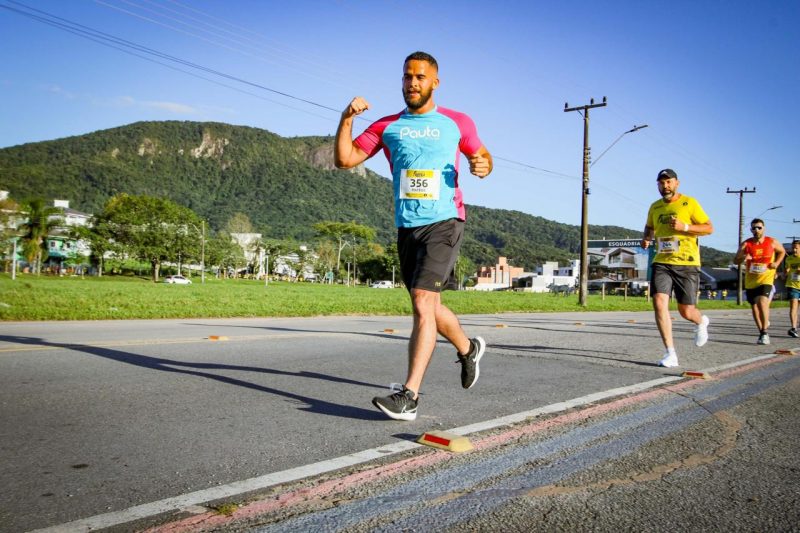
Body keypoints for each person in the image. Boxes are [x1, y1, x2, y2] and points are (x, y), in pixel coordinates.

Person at [334, 51, 493, 421]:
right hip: (407, 226)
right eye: (407, 77)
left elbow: (482, 156)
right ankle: (468, 349)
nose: (412, 83)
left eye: (420, 77)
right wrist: (346, 120)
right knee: (431, 307)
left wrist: (483, 164)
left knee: (422, 302)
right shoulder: (388, 126)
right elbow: (345, 159)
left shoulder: (457, 122)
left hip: (446, 221)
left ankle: (409, 397)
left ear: (434, 82)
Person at [641, 168, 714, 367]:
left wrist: (686, 228)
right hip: (662, 261)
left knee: (686, 311)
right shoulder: (655, 207)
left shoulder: (689, 203)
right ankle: (670, 353)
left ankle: (701, 322)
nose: (665, 186)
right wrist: (646, 238)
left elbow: (709, 227)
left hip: (687, 263)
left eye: (668, 182)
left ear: (677, 183)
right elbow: (649, 227)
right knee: (659, 302)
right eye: (661, 183)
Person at [734, 219, 786, 345]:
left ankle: (764, 331)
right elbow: (736, 260)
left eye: (758, 227)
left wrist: (777, 263)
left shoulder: (772, 242)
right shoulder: (746, 244)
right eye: (753, 228)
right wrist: (743, 257)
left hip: (766, 278)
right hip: (751, 280)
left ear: (764, 228)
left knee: (762, 302)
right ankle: (762, 332)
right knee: (755, 307)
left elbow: (782, 251)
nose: (756, 230)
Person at [782, 239, 800, 338]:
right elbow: (786, 271)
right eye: (793, 248)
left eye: (796, 248)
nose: (794, 250)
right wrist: (786, 272)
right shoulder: (789, 259)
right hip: (792, 285)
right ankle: (793, 328)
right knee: (794, 306)